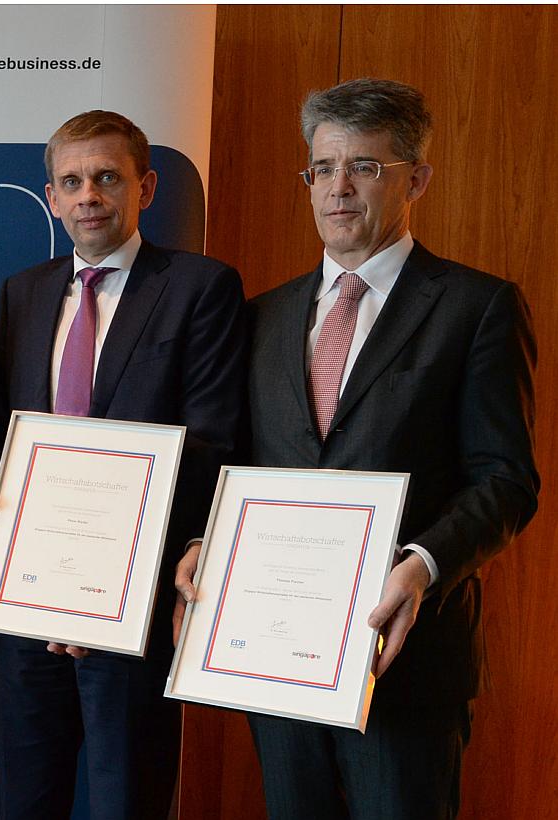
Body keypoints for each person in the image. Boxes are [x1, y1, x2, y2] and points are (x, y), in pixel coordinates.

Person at [174, 78, 538, 820]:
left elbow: (505, 480)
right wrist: (205, 539)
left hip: (405, 661)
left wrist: (422, 565)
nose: (338, 188)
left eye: (365, 167)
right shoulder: (264, 316)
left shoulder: (477, 307)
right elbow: (241, 469)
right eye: (323, 168)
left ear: (417, 180)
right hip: (273, 656)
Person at [0, 110, 247, 819]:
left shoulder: (200, 287)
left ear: (146, 187)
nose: (89, 195)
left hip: (133, 601)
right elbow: (4, 433)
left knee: (123, 796)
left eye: (107, 177)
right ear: (53, 196)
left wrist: (101, 572)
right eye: (72, 182)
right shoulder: (23, 293)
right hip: (28, 603)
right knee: (24, 796)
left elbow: (212, 441)